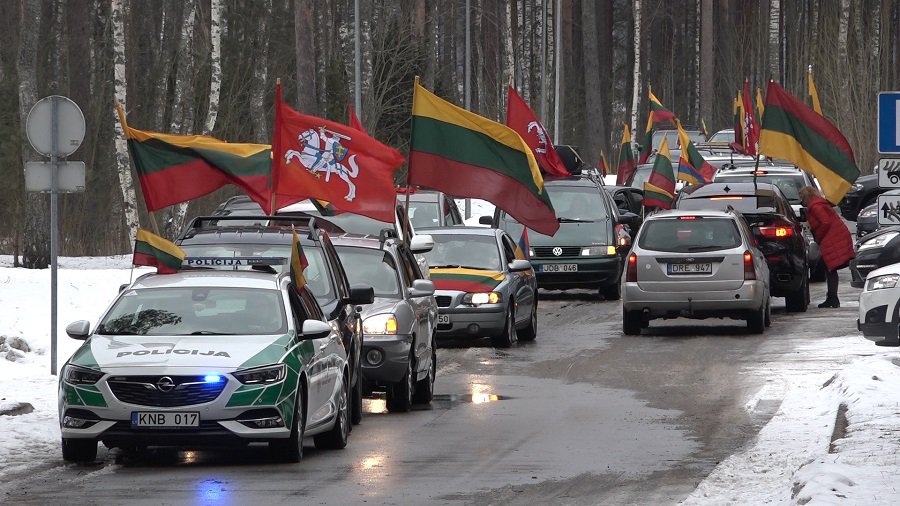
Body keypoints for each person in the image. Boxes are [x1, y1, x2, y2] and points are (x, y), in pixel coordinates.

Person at [799, 186, 855, 308]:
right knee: (830, 268)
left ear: (806, 197)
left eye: (801, 198)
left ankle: (832, 298)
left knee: (830, 268)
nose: (801, 201)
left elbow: (825, 222)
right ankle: (832, 297)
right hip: (835, 236)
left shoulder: (816, 207)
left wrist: (819, 235)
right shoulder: (817, 205)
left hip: (832, 238)